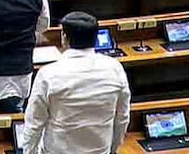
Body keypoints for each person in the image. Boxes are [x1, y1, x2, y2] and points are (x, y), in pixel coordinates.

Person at [21, 11, 131, 154]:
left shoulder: (48, 74)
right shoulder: (115, 69)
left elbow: (34, 125)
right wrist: (113, 149)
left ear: (64, 38)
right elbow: (122, 118)